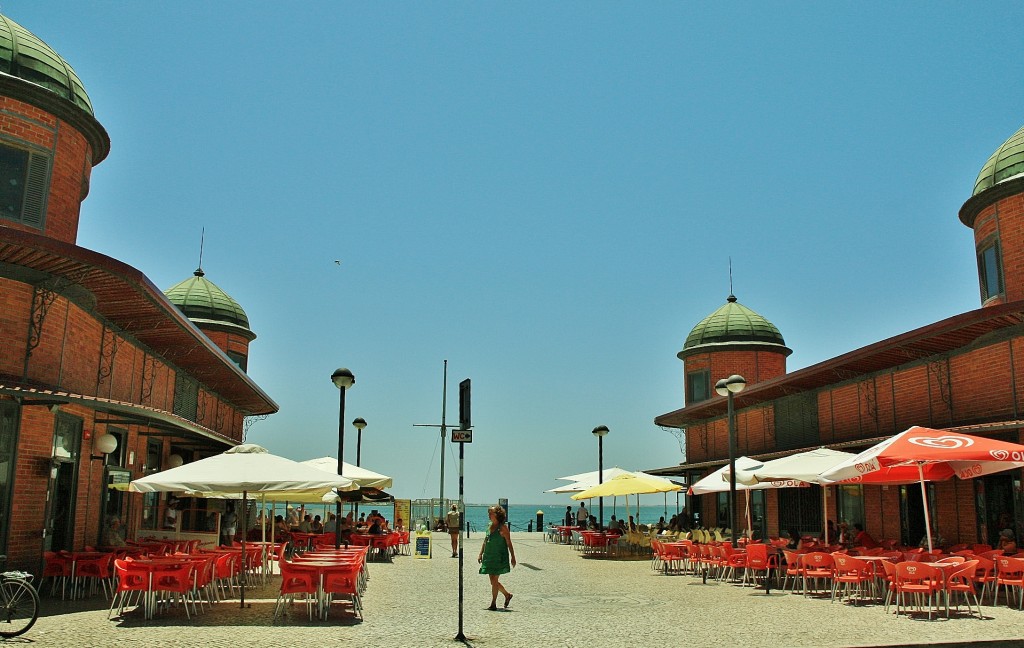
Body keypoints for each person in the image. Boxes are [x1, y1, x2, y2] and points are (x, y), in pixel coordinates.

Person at [478, 505, 516, 611]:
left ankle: (493, 603)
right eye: (488, 513)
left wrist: (513, 557)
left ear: (497, 514)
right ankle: (507, 595)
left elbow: (509, 542)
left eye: (491, 513)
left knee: (494, 579)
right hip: (489, 556)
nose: (489, 515)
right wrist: (480, 553)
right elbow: (485, 540)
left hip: (499, 557)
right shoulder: (489, 526)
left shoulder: (503, 528)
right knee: (492, 581)